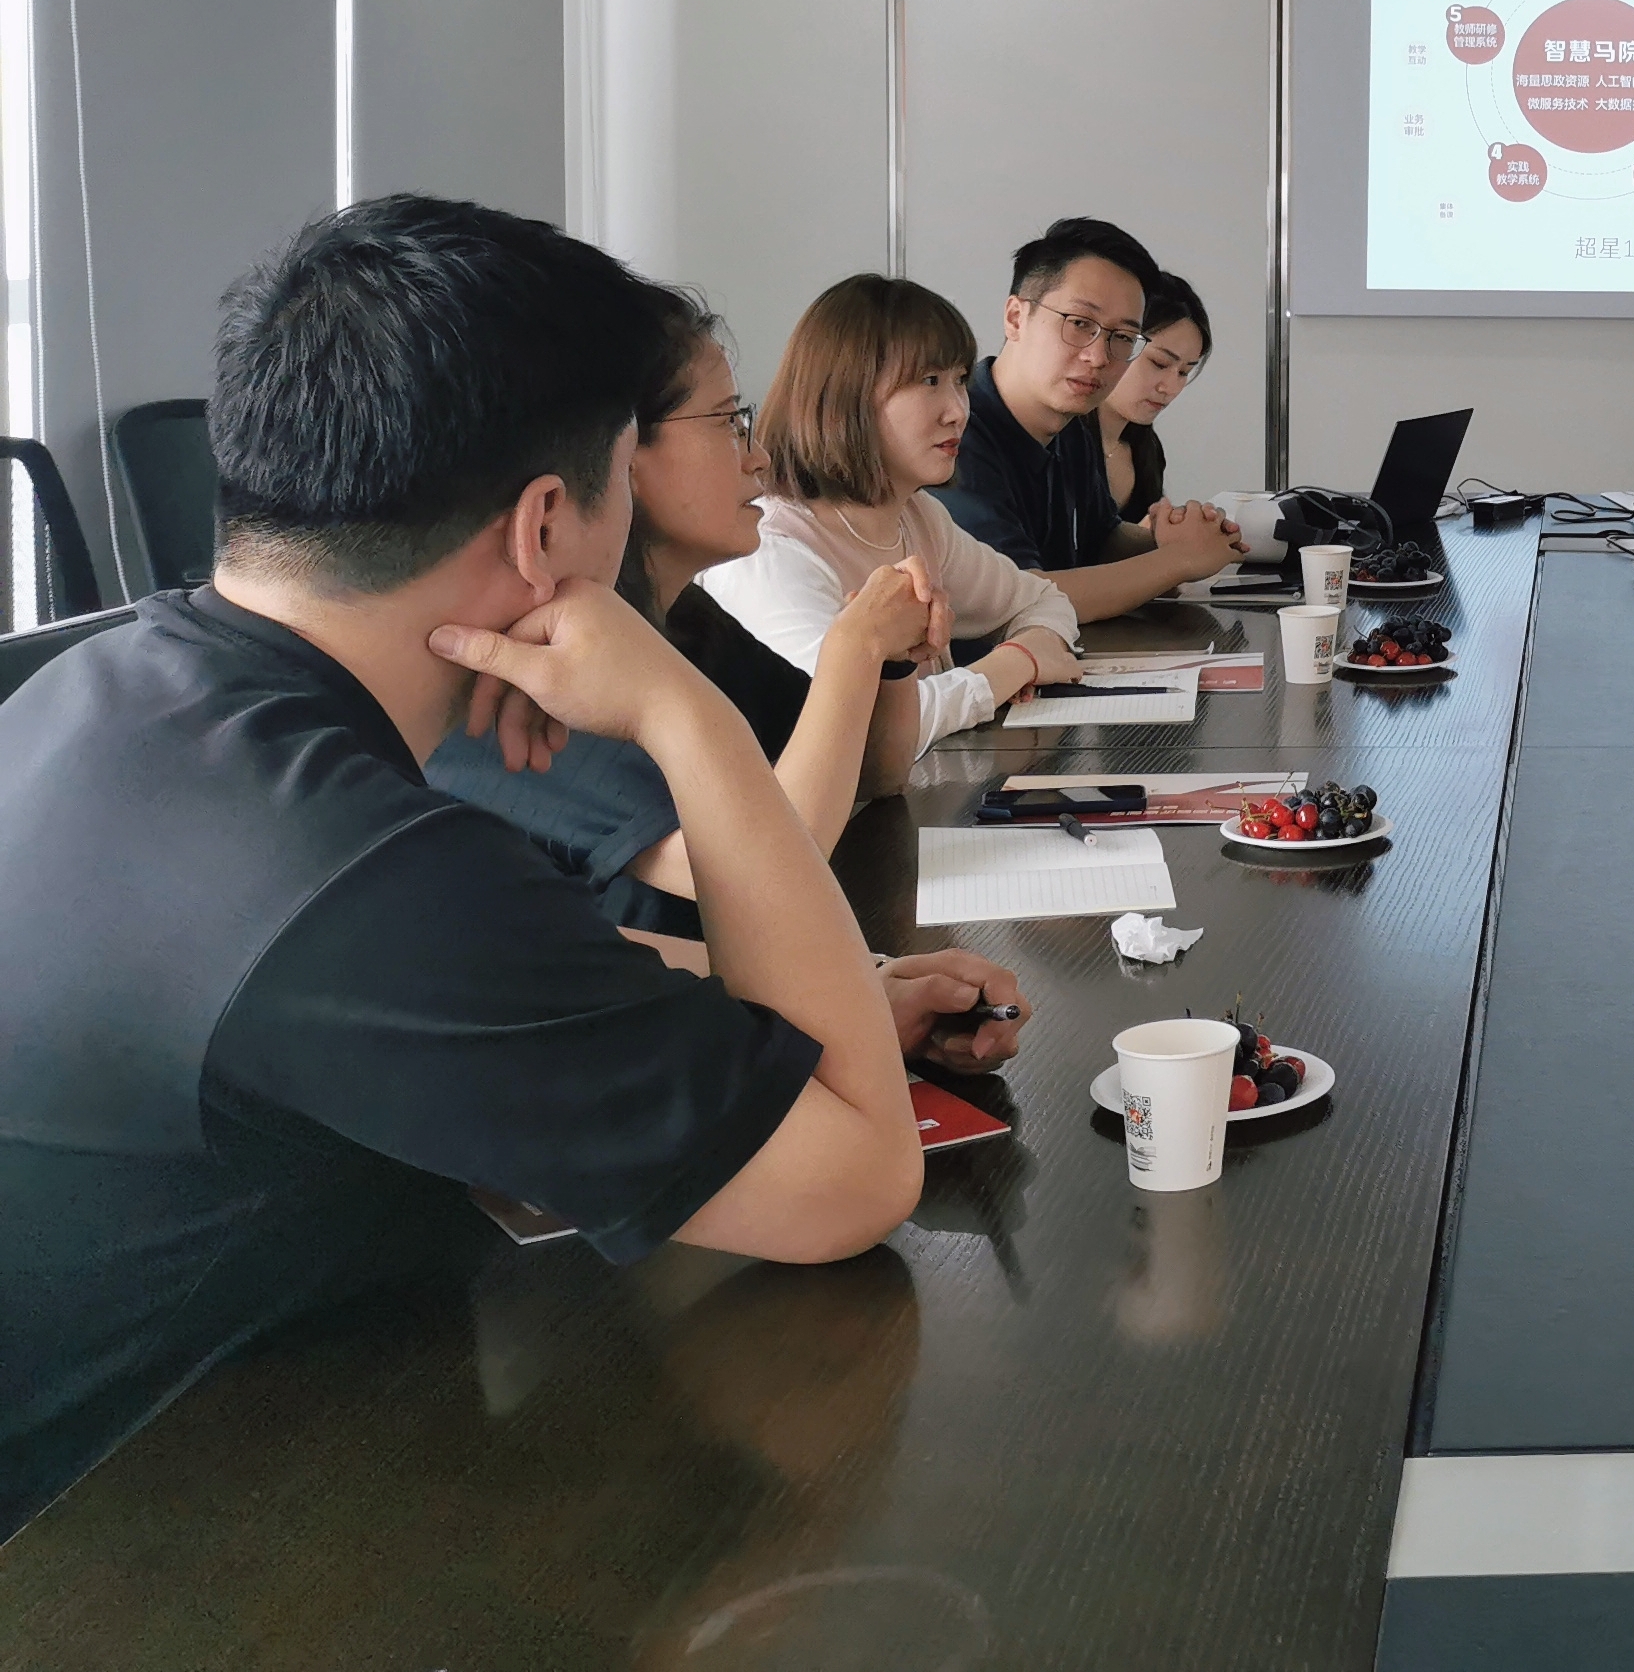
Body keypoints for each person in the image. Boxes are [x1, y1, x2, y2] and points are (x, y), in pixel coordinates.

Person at [0, 197, 922, 1535]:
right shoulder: (357, 870)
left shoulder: (105, 689)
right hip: (170, 1560)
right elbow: (856, 1178)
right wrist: (688, 716)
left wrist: (767, 996)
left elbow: (403, 1007)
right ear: (545, 525)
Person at [426, 301, 1028, 1070]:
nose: (759, 457)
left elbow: (873, 776)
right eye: (728, 422)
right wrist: (852, 648)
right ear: (620, 456)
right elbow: (772, 869)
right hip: (634, 1069)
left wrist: (890, 658)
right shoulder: (537, 665)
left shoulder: (689, 617)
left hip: (725, 1020)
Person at [699, 274, 1087, 749]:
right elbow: (848, 728)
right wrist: (1017, 663)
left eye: (960, 381)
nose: (958, 411)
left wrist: (1033, 644)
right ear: (847, 394)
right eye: (929, 381)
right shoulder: (770, 546)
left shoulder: (917, 515)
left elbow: (1042, 599)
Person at [930, 216, 1240, 619]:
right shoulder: (956, 433)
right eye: (1079, 324)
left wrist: (1168, 537)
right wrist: (1179, 560)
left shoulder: (1072, 424)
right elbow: (1020, 597)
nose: (1098, 357)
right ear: (1016, 317)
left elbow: (1101, 538)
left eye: (1122, 338)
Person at [1094, 262, 1216, 527]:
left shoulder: (1145, 447)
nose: (1170, 388)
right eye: (1159, 364)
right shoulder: (1059, 445)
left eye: (1184, 372)